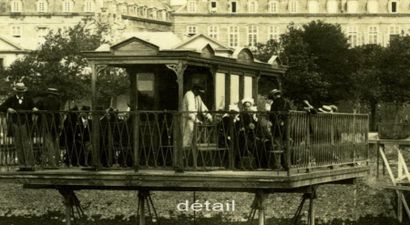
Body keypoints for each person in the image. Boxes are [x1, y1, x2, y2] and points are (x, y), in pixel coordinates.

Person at [0, 82, 38, 170]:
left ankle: (29, 165)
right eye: (19, 91)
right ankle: (22, 165)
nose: (20, 93)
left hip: (26, 124)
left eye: (22, 91)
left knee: (27, 144)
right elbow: (1, 107)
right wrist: (8, 109)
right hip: (15, 124)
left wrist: (34, 108)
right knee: (18, 144)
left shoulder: (28, 99)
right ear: (16, 92)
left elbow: (34, 107)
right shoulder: (11, 99)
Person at [37, 88, 62, 168]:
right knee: (54, 142)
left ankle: (50, 163)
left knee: (47, 143)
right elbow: (58, 114)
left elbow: (36, 109)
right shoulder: (57, 101)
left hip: (46, 123)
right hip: (55, 123)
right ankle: (56, 161)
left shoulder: (43, 100)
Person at [268, 89, 291, 169]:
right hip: (286, 127)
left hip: (277, 128)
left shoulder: (274, 103)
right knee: (286, 146)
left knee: (277, 145)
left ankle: (278, 164)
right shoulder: (286, 102)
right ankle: (287, 164)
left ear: (274, 96)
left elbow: (271, 116)